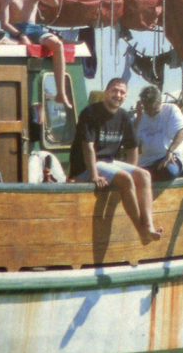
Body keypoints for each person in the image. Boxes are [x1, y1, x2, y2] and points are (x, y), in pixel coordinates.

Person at [67, 78, 162, 244]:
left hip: (108, 162)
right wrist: (94, 176)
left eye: (122, 92)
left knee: (144, 175)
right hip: (86, 166)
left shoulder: (124, 116)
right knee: (125, 179)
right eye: (114, 90)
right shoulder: (90, 113)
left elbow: (133, 148)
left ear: (125, 96)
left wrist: (132, 172)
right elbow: (88, 147)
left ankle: (148, 225)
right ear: (106, 92)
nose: (118, 95)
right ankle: (141, 232)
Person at [0, 0, 73, 110]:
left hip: (33, 29)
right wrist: (20, 35)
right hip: (15, 29)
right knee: (0, 43)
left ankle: (61, 92)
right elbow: (4, 24)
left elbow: (54, 2)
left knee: (57, 45)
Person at [133, 84, 183, 181]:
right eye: (148, 110)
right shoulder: (138, 116)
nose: (151, 113)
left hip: (169, 158)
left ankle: (149, 176)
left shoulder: (171, 110)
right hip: (147, 161)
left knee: (170, 172)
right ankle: (148, 176)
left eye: (154, 110)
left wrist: (170, 150)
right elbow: (131, 139)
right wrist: (138, 117)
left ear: (159, 102)